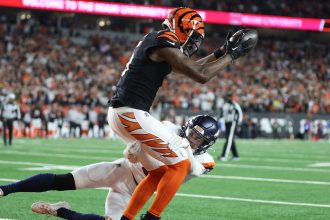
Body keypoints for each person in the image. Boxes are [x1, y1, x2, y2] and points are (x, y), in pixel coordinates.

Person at [107, 7, 256, 220]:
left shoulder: (160, 42)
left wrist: (221, 52)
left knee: (159, 172)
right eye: (193, 35)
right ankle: (152, 217)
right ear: (181, 27)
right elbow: (200, 75)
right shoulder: (163, 38)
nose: (195, 42)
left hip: (126, 112)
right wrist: (233, 54)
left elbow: (189, 68)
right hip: (130, 112)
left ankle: (127, 217)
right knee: (181, 164)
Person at [0, 115, 219, 220]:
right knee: (62, 180)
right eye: (191, 133)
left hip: (133, 192)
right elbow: (137, 147)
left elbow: (192, 168)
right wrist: (131, 152)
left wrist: (185, 148)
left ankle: (59, 210)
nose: (191, 139)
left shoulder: (206, 161)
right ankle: (5, 189)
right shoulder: (169, 129)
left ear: (206, 144)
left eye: (197, 139)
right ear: (186, 127)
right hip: (120, 169)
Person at [217, 92, 243, 161]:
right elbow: (222, 114)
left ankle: (224, 155)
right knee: (231, 139)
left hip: (233, 123)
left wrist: (239, 123)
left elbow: (240, 113)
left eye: (230, 97)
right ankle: (236, 156)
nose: (229, 98)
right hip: (226, 123)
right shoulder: (224, 105)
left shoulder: (235, 104)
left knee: (229, 139)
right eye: (228, 96)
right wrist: (219, 120)